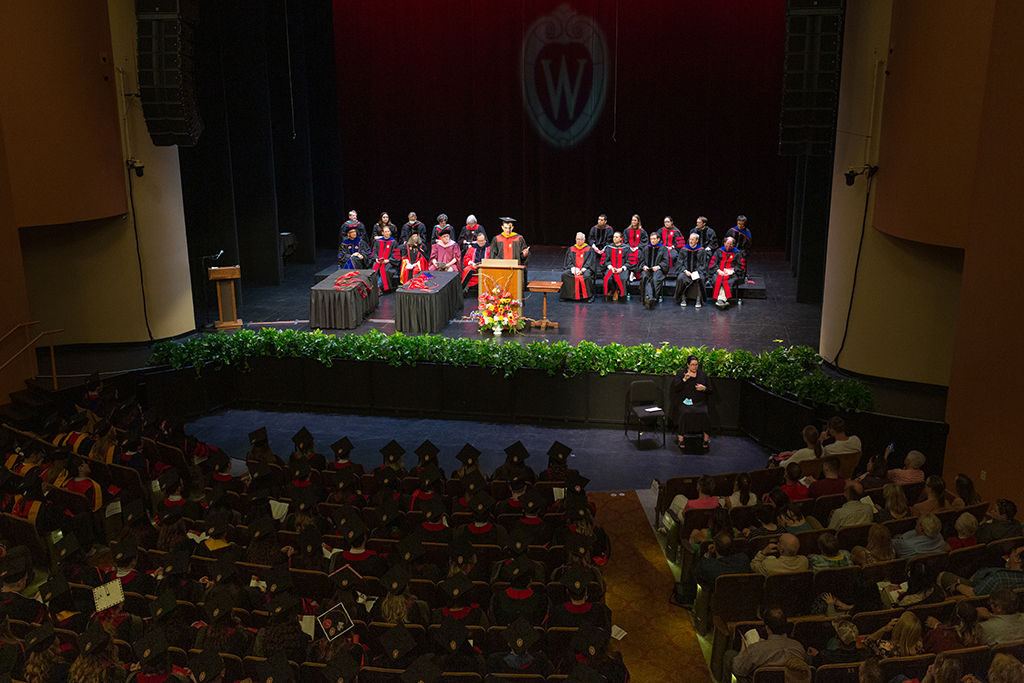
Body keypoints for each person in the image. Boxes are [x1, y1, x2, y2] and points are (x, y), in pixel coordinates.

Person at [728, 607, 806, 683]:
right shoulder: (799, 648)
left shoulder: (756, 649)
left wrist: (743, 650)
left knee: (728, 656)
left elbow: (737, 669)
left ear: (767, 628)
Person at [939, 543, 1024, 597]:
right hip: (991, 591)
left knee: (942, 576)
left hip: (975, 588)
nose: (1012, 552)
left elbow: (974, 594)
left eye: (1015, 552)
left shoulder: (998, 578)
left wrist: (957, 586)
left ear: (1018, 559)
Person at [670, 354, 712, 448]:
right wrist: (684, 379)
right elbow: (676, 388)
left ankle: (706, 439)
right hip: (685, 402)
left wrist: (704, 388)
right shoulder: (681, 373)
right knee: (685, 413)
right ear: (688, 365)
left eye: (696, 364)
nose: (694, 367)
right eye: (692, 364)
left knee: (704, 413)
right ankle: (681, 439)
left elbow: (710, 390)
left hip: (700, 402)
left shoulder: (702, 375)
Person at [709, 236, 746, 309]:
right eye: (727, 243)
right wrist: (719, 270)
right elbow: (712, 263)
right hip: (719, 271)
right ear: (724, 243)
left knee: (728, 281)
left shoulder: (737, 253)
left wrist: (733, 271)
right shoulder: (718, 251)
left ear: (733, 245)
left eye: (731, 244)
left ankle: (720, 299)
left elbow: (741, 265)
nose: (728, 246)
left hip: (731, 273)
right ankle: (723, 300)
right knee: (717, 280)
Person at [636, 231, 670, 309]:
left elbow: (665, 262)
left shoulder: (663, 249)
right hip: (647, 269)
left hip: (658, 270)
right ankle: (647, 297)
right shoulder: (646, 248)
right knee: (645, 276)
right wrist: (644, 266)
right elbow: (642, 261)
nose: (653, 241)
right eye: (651, 239)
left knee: (655, 279)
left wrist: (658, 267)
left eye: (654, 239)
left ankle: (652, 298)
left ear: (658, 239)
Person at [675, 232, 708, 308]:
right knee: (681, 278)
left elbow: (703, 263)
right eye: (690, 239)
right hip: (686, 271)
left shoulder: (701, 250)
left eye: (692, 239)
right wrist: (685, 271)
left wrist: (697, 271)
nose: (690, 241)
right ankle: (683, 298)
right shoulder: (684, 249)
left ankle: (698, 299)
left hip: (697, 272)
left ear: (697, 240)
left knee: (701, 278)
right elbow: (680, 262)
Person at [560, 232, 596, 301]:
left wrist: (582, 269)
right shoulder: (571, 249)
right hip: (574, 269)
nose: (578, 241)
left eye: (580, 239)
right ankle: (567, 296)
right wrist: (574, 269)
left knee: (587, 276)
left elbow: (590, 262)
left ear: (584, 240)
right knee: (565, 274)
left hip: (585, 269)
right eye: (577, 239)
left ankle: (588, 297)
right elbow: (568, 261)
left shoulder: (589, 249)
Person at [600, 231, 630, 301]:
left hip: (622, 268)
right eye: (614, 237)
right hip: (611, 268)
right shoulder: (609, 247)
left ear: (621, 239)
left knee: (623, 278)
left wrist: (622, 269)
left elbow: (630, 261)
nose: (614, 238)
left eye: (616, 237)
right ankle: (614, 291)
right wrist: (610, 267)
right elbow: (604, 260)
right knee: (608, 278)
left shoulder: (626, 248)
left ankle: (620, 294)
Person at [461, 231, 491, 296]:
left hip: (485, 267)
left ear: (485, 240)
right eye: (479, 241)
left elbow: (492, 259)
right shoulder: (472, 248)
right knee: (467, 270)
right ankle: (464, 290)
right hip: (474, 266)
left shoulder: (489, 248)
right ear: (476, 241)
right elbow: (466, 258)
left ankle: (488, 292)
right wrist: (471, 263)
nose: (481, 242)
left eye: (482, 240)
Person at [371, 223, 399, 293]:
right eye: (385, 232)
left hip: (389, 262)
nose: (387, 233)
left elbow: (396, 255)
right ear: (382, 233)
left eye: (388, 231)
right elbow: (374, 252)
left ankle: (378, 287)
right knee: (374, 270)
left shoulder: (394, 242)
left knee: (386, 270)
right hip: (378, 261)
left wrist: (388, 260)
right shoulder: (377, 242)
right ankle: (377, 288)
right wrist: (376, 259)